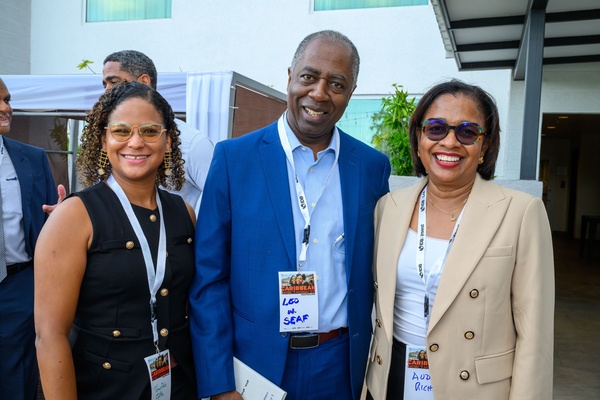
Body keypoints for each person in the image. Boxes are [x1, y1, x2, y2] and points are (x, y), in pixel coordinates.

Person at [188, 30, 391, 400]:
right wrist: (219, 383)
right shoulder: (233, 160)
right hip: (253, 366)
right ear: (290, 76)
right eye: (309, 77)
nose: (319, 93)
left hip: (339, 366)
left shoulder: (371, 167)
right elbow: (209, 280)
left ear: (351, 91)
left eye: (337, 84)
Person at [365, 80, 554, 399]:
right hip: (391, 377)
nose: (450, 142)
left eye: (467, 132)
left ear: (485, 146)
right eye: (436, 128)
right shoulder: (389, 207)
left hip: (472, 387)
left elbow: (535, 334)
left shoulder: (521, 212)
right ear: (419, 139)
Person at [34, 82, 197, 399]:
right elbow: (50, 336)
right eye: (121, 131)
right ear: (103, 138)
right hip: (103, 388)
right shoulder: (73, 216)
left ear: (167, 140)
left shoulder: (184, 213)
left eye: (150, 131)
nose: (135, 142)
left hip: (178, 386)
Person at [0, 77, 58, 400]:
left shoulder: (33, 159)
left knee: (18, 380)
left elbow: (50, 221)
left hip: (19, 287)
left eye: (7, 100)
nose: (5, 108)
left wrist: (61, 217)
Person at [103, 50, 214, 213]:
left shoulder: (193, 144)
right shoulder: (107, 138)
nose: (107, 90)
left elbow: (219, 201)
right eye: (121, 131)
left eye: (114, 82)